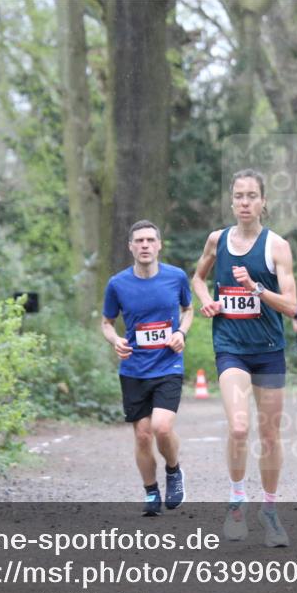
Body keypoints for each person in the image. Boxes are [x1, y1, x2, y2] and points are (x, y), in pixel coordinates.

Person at [191, 169, 297, 547]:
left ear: (264, 201)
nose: (245, 202)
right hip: (231, 347)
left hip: (268, 351)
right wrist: (207, 302)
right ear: (232, 201)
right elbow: (198, 278)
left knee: (269, 435)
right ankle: (237, 503)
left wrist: (258, 289)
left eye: (252, 195)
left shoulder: (277, 246)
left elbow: (291, 305)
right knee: (239, 427)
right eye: (239, 196)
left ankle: (269, 511)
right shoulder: (217, 241)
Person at [102, 220, 193, 516]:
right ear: (131, 246)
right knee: (142, 435)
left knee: (161, 427)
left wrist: (181, 333)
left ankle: (174, 470)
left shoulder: (176, 277)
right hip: (134, 370)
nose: (144, 245)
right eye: (139, 241)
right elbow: (106, 322)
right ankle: (151, 491)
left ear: (159, 245)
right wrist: (115, 339)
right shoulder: (117, 284)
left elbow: (188, 310)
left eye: (150, 240)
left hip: (168, 365)